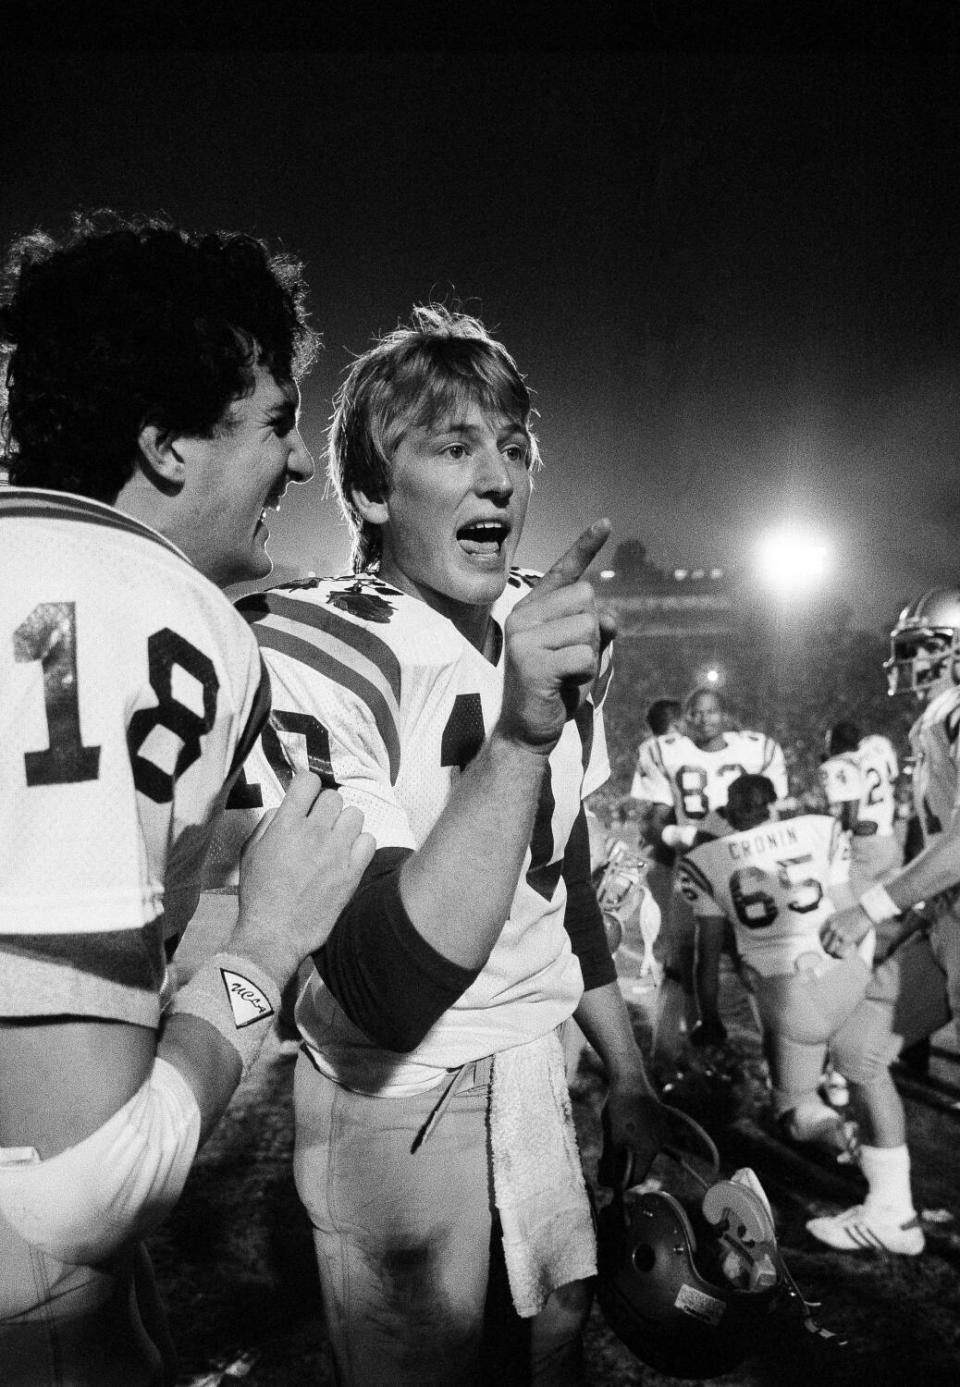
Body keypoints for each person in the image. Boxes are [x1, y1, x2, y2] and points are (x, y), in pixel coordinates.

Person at [205, 304, 664, 1385]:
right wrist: (518, 730)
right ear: (371, 490)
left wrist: (629, 1068)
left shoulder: (547, 618)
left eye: (512, 446)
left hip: (534, 1060)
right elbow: (377, 979)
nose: (498, 478)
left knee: (554, 1345)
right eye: (454, 447)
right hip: (397, 1092)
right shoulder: (317, 643)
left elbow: (567, 876)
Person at [0, 211, 375, 1385]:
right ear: (169, 448)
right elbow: (80, 1191)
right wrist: (261, 948)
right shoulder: (135, 605)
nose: (303, 463)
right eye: (276, 423)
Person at [809, 589, 960, 1255]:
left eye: (919, 644)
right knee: (858, 1044)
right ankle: (892, 1211)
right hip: (950, 916)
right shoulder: (936, 719)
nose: (903, 658)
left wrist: (872, 905)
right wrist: (918, 909)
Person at [677, 774, 863, 1155]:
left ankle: (840, 1135)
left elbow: (706, 958)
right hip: (847, 973)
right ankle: (868, 1130)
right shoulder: (820, 829)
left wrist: (708, 1017)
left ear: (728, 813)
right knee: (868, 1074)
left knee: (793, 1109)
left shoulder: (704, 862)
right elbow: (851, 915)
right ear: (773, 804)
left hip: (787, 994)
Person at [631, 685, 789, 1067]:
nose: (704, 720)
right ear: (686, 717)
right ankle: (669, 1055)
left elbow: (776, 813)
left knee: (762, 962)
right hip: (696, 869)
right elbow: (653, 825)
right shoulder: (662, 751)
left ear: (725, 714)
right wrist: (688, 836)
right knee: (678, 964)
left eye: (711, 712)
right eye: (696, 713)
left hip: (749, 871)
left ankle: (783, 1058)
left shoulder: (759, 748)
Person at [818, 720, 902, 910]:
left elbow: (850, 811)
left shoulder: (837, 765)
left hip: (864, 844)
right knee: (889, 900)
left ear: (835, 741)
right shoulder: (876, 750)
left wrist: (846, 827)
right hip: (889, 839)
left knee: (852, 907)